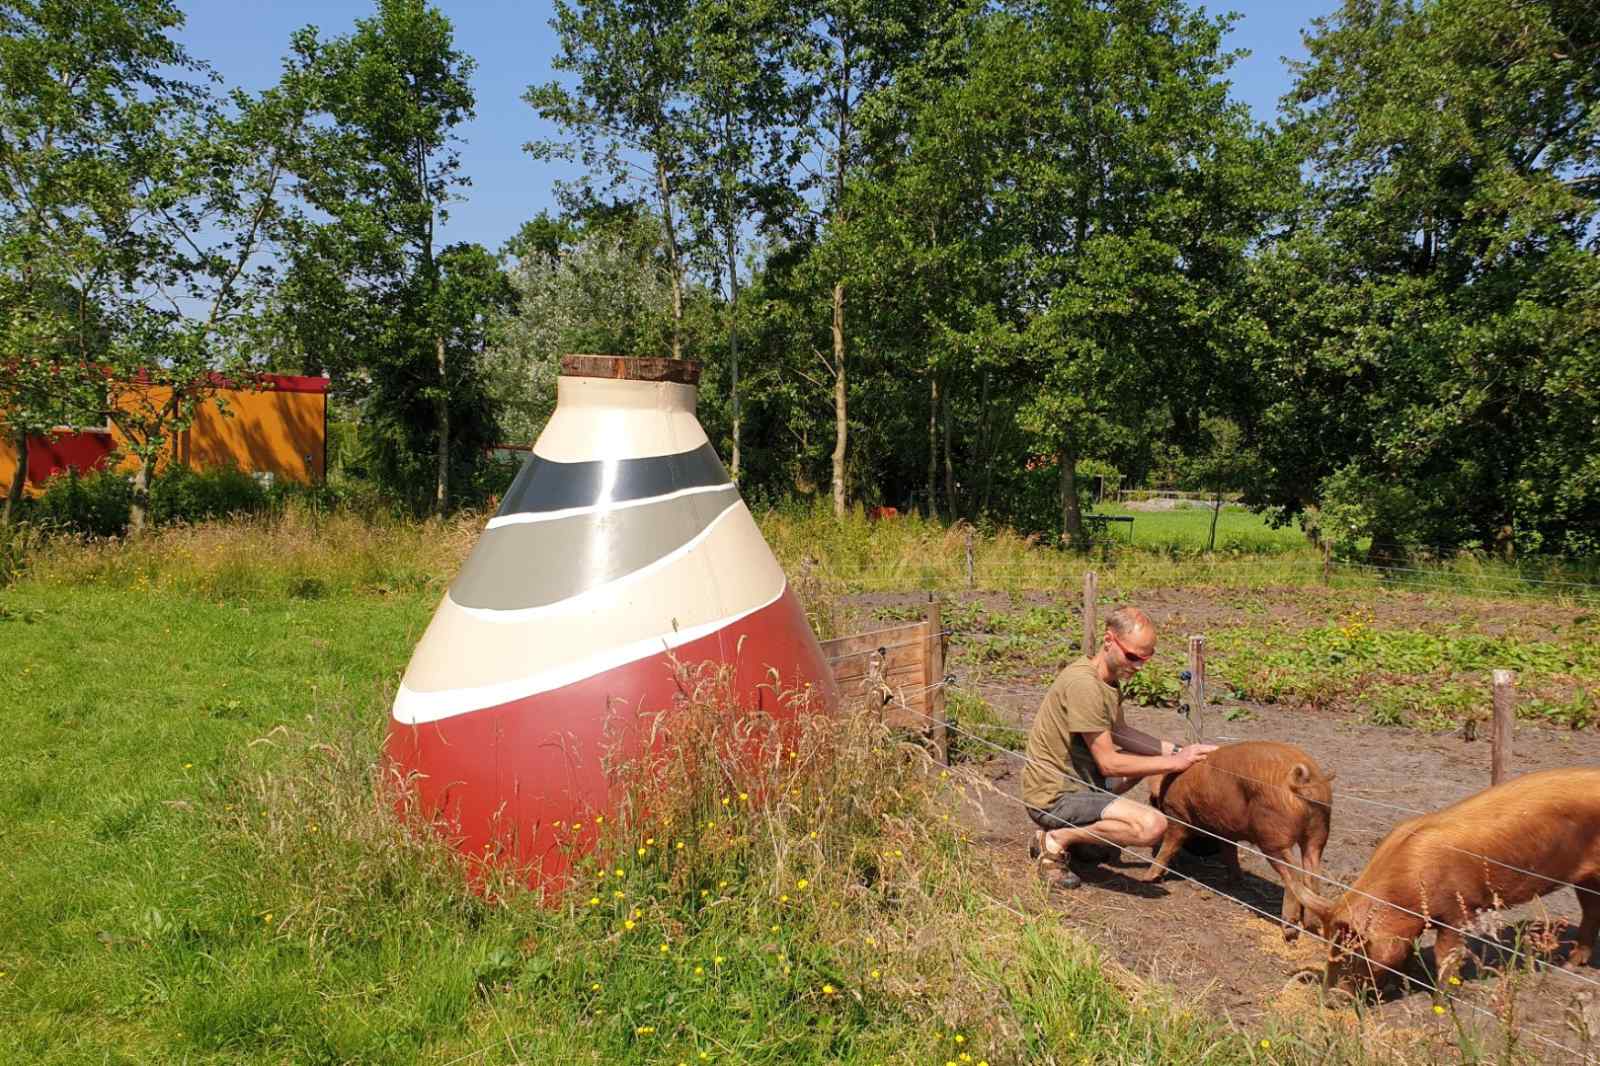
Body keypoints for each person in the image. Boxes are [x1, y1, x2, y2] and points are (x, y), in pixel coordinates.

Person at [1021, 605, 1216, 888]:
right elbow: (1109, 763)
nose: (1138, 666)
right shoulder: (1084, 685)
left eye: (1146, 659)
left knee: (1143, 763)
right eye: (1133, 656)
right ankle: (1054, 839)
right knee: (1152, 826)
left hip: (1080, 784)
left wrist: (1179, 750)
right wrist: (1175, 762)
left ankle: (1079, 833)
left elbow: (1121, 732)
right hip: (1054, 796)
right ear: (1109, 640)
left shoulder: (1107, 679)